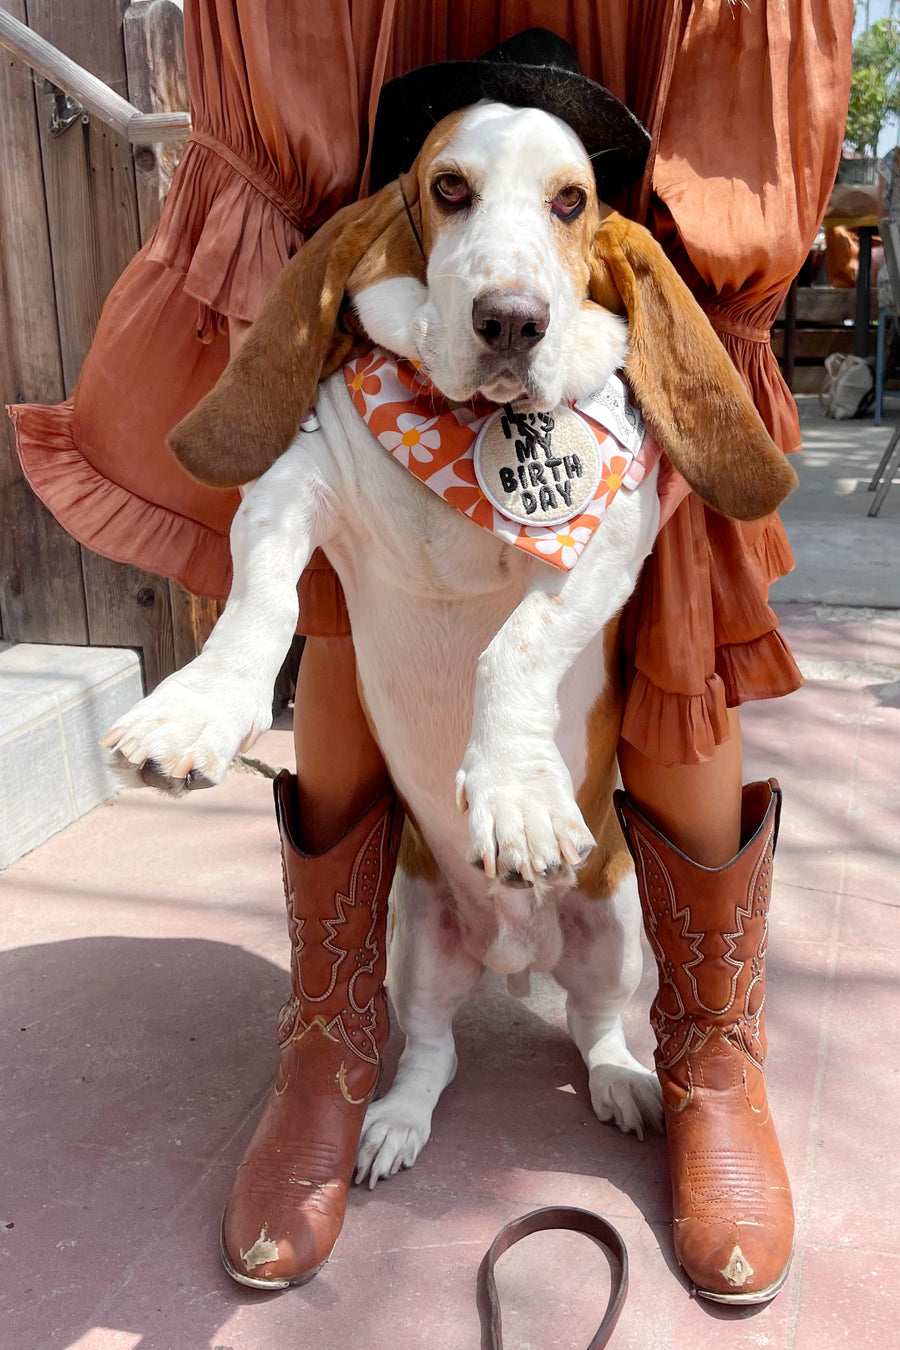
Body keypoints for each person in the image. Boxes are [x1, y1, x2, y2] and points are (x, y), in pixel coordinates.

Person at [11, 0, 851, 1306]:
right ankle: (345, 1040)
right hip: (374, 59)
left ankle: (701, 1046)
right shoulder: (377, 267)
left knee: (676, 593)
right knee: (350, 577)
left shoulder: (603, 285)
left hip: (657, 44)